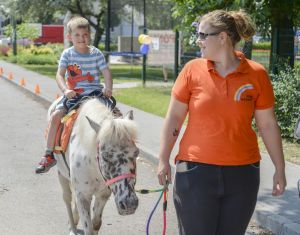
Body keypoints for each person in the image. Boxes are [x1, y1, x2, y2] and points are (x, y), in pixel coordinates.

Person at [157, 9, 286, 235]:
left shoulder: (257, 74)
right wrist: (162, 159)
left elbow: (267, 125)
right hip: (195, 172)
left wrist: (280, 167)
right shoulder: (191, 70)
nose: (199, 41)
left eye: (203, 35)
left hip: (243, 175)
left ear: (223, 37)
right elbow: (175, 117)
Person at [35, 16, 113, 174]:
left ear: (89, 35)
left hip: (95, 94)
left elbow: (106, 72)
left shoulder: (96, 53)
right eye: (77, 35)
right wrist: (65, 90)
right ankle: (49, 154)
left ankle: (118, 150)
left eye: (85, 35)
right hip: (74, 95)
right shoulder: (67, 54)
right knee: (56, 115)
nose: (81, 38)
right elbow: (59, 75)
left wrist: (108, 87)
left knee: (116, 117)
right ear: (69, 37)